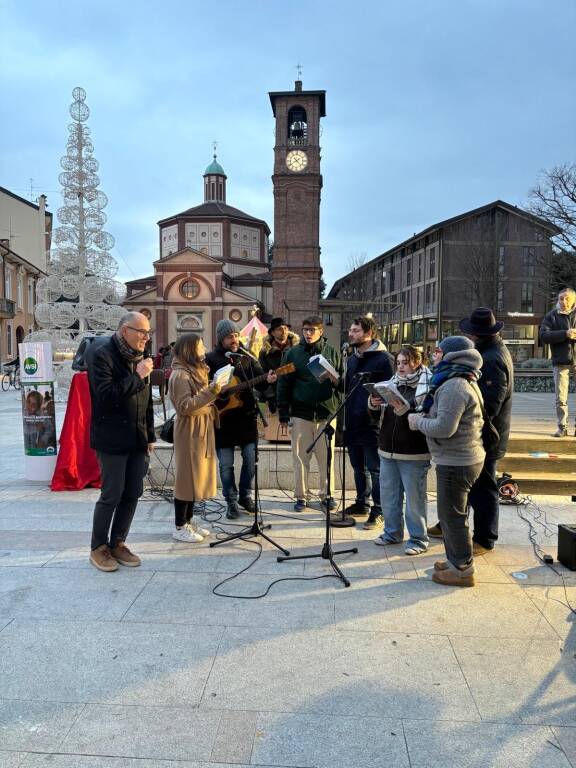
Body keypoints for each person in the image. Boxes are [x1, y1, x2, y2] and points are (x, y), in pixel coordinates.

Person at [408, 336, 485, 587]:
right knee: (452, 514)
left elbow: (444, 428)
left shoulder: (454, 386)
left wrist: (417, 422)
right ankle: (456, 562)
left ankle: (462, 569)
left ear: (451, 356)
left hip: (458, 461)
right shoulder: (460, 379)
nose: (434, 356)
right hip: (459, 458)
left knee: (452, 517)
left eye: (438, 351)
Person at [86, 311, 155, 572]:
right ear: (125, 330)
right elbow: (106, 397)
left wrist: (149, 434)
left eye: (148, 333)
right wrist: (137, 376)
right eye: (142, 332)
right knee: (112, 494)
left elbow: (147, 399)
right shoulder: (101, 353)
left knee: (133, 492)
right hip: (112, 437)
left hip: (137, 437)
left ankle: (118, 543)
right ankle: (98, 548)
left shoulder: (140, 358)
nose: (146, 338)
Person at [206, 319, 276, 519]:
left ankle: (245, 495)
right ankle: (231, 501)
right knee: (226, 464)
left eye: (236, 335)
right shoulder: (210, 359)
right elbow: (204, 387)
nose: (234, 339)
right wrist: (217, 391)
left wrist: (269, 380)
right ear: (221, 339)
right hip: (222, 420)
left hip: (246, 418)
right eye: (230, 337)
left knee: (251, 458)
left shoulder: (247, 357)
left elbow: (261, 383)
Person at [369, 346, 432, 555]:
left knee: (414, 500)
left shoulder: (428, 385)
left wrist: (407, 409)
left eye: (405, 362)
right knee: (389, 496)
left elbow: (429, 415)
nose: (401, 367)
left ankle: (418, 540)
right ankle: (392, 533)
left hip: (414, 451)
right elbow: (375, 416)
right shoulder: (391, 384)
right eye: (398, 363)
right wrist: (373, 403)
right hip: (387, 449)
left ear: (417, 362)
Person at [276, 315, 341, 511]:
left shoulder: (332, 352)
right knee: (300, 458)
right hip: (300, 414)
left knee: (326, 459)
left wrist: (335, 379)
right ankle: (301, 496)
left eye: (312, 330)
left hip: (326, 413)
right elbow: (283, 382)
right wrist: (283, 412)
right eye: (305, 330)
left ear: (321, 331)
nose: (308, 333)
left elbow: (342, 381)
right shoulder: (293, 353)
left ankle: (326, 494)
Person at [169, 333, 221, 543]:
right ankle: (180, 526)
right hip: (189, 429)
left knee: (195, 477)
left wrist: (213, 387)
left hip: (201, 426)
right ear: (190, 349)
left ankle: (188, 521)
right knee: (186, 479)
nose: (204, 348)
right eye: (200, 345)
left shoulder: (196, 370)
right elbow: (184, 406)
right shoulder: (180, 375)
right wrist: (211, 390)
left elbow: (201, 397)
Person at [343, 316, 394, 530]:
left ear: (368, 333)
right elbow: (347, 390)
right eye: (350, 330)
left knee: (375, 469)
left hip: (373, 424)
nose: (350, 334)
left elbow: (393, 392)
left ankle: (379, 510)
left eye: (355, 331)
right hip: (352, 422)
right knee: (358, 467)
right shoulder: (352, 359)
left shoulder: (384, 359)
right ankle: (361, 503)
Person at [540, 287, 576, 437]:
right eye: (561, 298)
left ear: (574, 299)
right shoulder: (551, 316)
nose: (564, 301)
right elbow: (544, 336)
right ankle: (562, 427)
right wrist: (565, 334)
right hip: (560, 362)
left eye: (567, 298)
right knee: (561, 398)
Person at [259, 317, 299, 413]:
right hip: (274, 398)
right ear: (272, 333)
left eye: (285, 328)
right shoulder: (265, 352)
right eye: (279, 329)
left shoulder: (297, 349)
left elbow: (301, 369)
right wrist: (269, 393)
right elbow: (261, 374)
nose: (284, 331)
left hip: (295, 396)